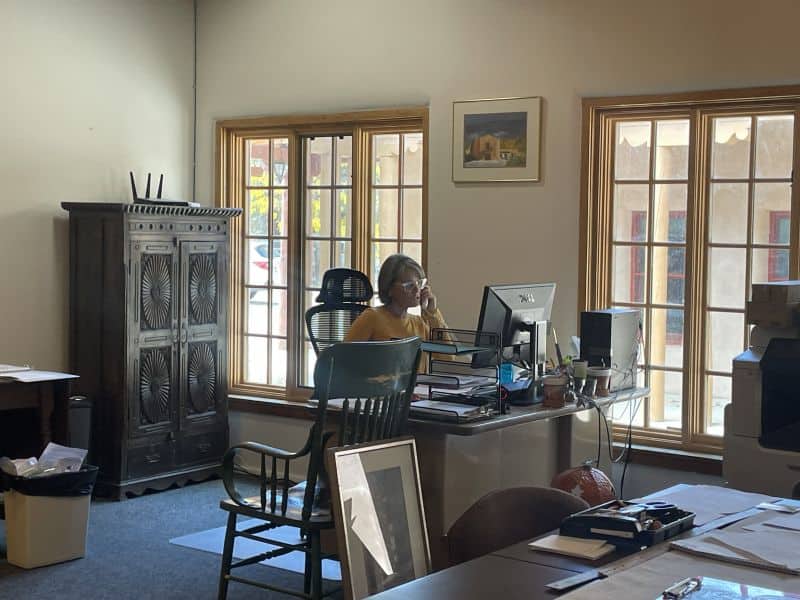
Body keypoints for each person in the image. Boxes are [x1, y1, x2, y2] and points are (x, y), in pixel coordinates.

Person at [345, 254, 448, 370]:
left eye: (419, 283)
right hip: (380, 382)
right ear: (389, 289)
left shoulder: (419, 323)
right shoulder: (372, 317)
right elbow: (343, 359)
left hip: (417, 382)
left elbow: (447, 356)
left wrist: (432, 312)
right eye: (409, 285)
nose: (417, 290)